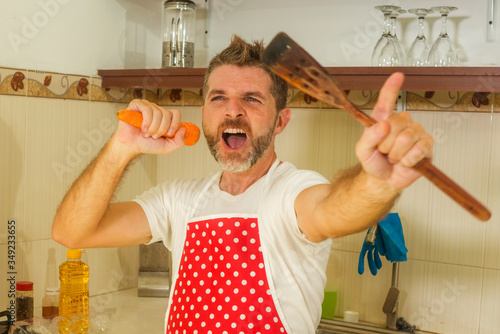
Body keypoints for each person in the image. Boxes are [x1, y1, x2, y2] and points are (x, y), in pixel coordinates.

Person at [52, 35, 433, 333]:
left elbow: (336, 209)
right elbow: (71, 232)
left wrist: (378, 181)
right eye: (219, 98)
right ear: (204, 114)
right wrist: (122, 148)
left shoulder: (292, 192)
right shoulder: (178, 200)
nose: (232, 110)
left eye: (251, 98)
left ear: (280, 121)